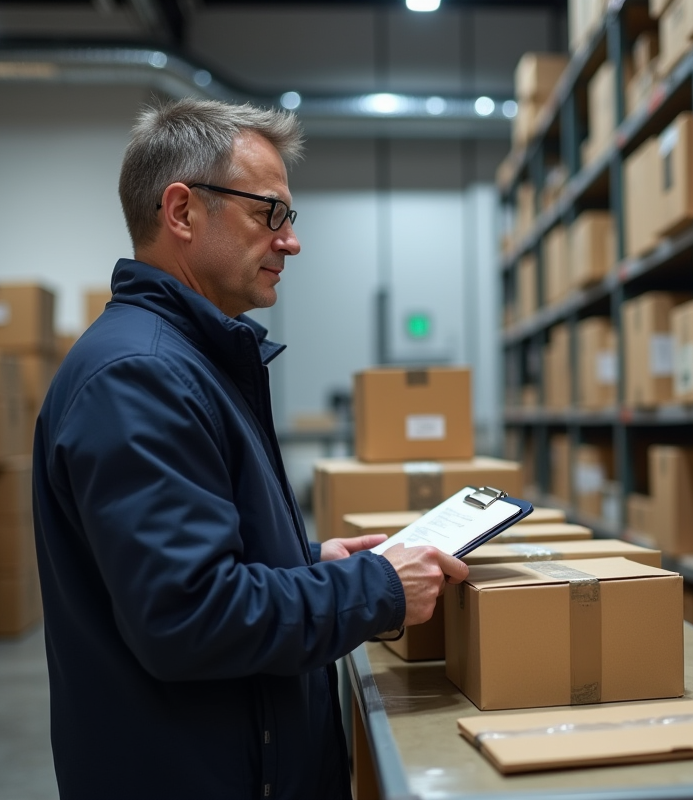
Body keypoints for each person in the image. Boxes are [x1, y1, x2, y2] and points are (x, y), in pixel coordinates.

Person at [32, 98, 469, 800]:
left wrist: (303, 563)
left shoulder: (192, 361)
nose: (290, 241)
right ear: (182, 212)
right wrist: (377, 588)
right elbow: (188, 616)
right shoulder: (140, 377)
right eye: (270, 213)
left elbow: (193, 563)